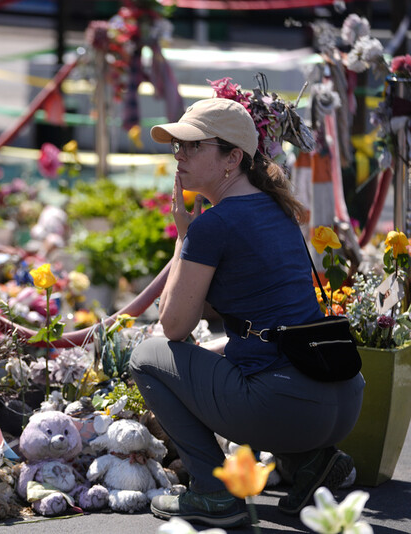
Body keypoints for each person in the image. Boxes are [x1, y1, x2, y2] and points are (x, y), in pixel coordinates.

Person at [128, 98, 364, 528]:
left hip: (282, 407)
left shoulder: (213, 225)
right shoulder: (279, 208)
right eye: (177, 146)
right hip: (342, 397)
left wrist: (183, 238)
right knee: (229, 348)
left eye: (192, 146)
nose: (179, 156)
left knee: (147, 356)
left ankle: (214, 492)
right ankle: (312, 461)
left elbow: (173, 326)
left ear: (232, 157)